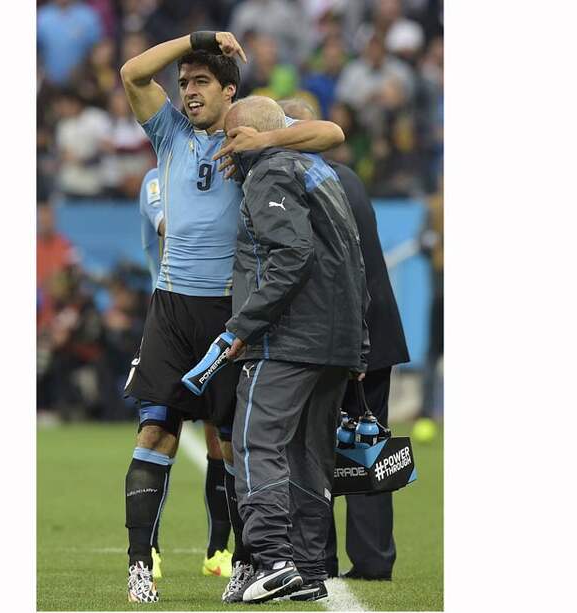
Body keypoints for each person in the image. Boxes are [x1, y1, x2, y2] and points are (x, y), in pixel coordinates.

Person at [118, 31, 345, 603]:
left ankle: (244, 558)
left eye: (200, 83)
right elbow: (131, 74)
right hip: (171, 304)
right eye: (184, 84)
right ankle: (139, 561)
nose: (188, 93)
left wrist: (265, 136)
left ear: (228, 91)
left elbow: (331, 133)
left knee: (231, 441)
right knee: (156, 431)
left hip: (230, 307)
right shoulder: (168, 135)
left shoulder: (247, 136)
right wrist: (196, 41)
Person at [218, 96, 369, 604]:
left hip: (286, 340)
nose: (223, 150)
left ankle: (274, 558)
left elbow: (292, 255)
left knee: (256, 443)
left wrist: (242, 324)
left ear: (244, 136)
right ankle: (306, 566)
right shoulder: (319, 171)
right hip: (335, 342)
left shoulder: (271, 174)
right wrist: (359, 347)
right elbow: (353, 261)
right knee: (308, 456)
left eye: (227, 138)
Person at [280, 98, 411, 581]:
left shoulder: (308, 182)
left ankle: (320, 558)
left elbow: (336, 271)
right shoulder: (346, 177)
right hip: (375, 333)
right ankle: (374, 558)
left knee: (318, 446)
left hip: (346, 336)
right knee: (366, 445)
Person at [132, 167, 234, 580]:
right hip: (171, 319)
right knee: (157, 429)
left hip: (217, 315)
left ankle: (218, 550)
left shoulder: (227, 174)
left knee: (220, 438)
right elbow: (171, 228)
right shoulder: (158, 178)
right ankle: (148, 549)